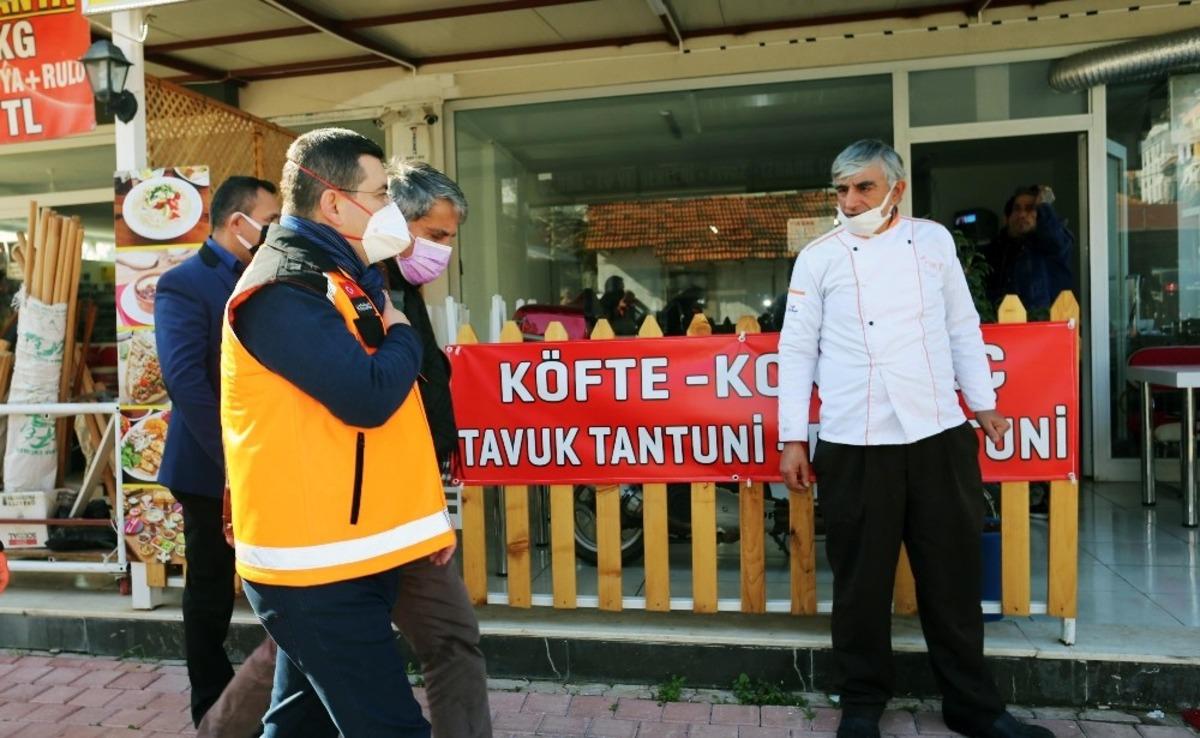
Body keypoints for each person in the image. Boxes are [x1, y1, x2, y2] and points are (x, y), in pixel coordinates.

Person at [198, 160, 492, 738]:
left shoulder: (367, 279)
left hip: (377, 525)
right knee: (373, 680)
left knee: (302, 685)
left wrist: (426, 516)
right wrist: (401, 332)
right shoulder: (304, 286)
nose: (442, 250)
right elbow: (368, 398)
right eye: (434, 234)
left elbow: (403, 411)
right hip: (328, 540)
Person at [777, 139, 1053, 738]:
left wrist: (982, 404)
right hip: (854, 438)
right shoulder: (818, 257)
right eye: (842, 189)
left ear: (896, 189)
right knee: (860, 588)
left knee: (951, 581)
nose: (850, 201)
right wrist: (793, 437)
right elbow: (796, 349)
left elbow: (960, 324)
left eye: (864, 187)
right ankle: (861, 706)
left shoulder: (932, 242)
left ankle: (974, 708)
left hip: (936, 432)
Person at [154, 175, 280, 727]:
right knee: (209, 591)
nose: (275, 232)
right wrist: (233, 462)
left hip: (271, 456)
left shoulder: (271, 277)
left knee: (280, 582)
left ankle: (274, 700)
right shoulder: (184, 284)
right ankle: (212, 708)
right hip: (211, 466)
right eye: (270, 222)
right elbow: (185, 380)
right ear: (238, 223)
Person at [985, 184, 1074, 312]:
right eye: (1017, 209)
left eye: (1029, 209)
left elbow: (1054, 238)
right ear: (1007, 218)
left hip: (1048, 324)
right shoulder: (996, 249)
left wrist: (1043, 206)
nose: (1022, 214)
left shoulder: (1053, 242)